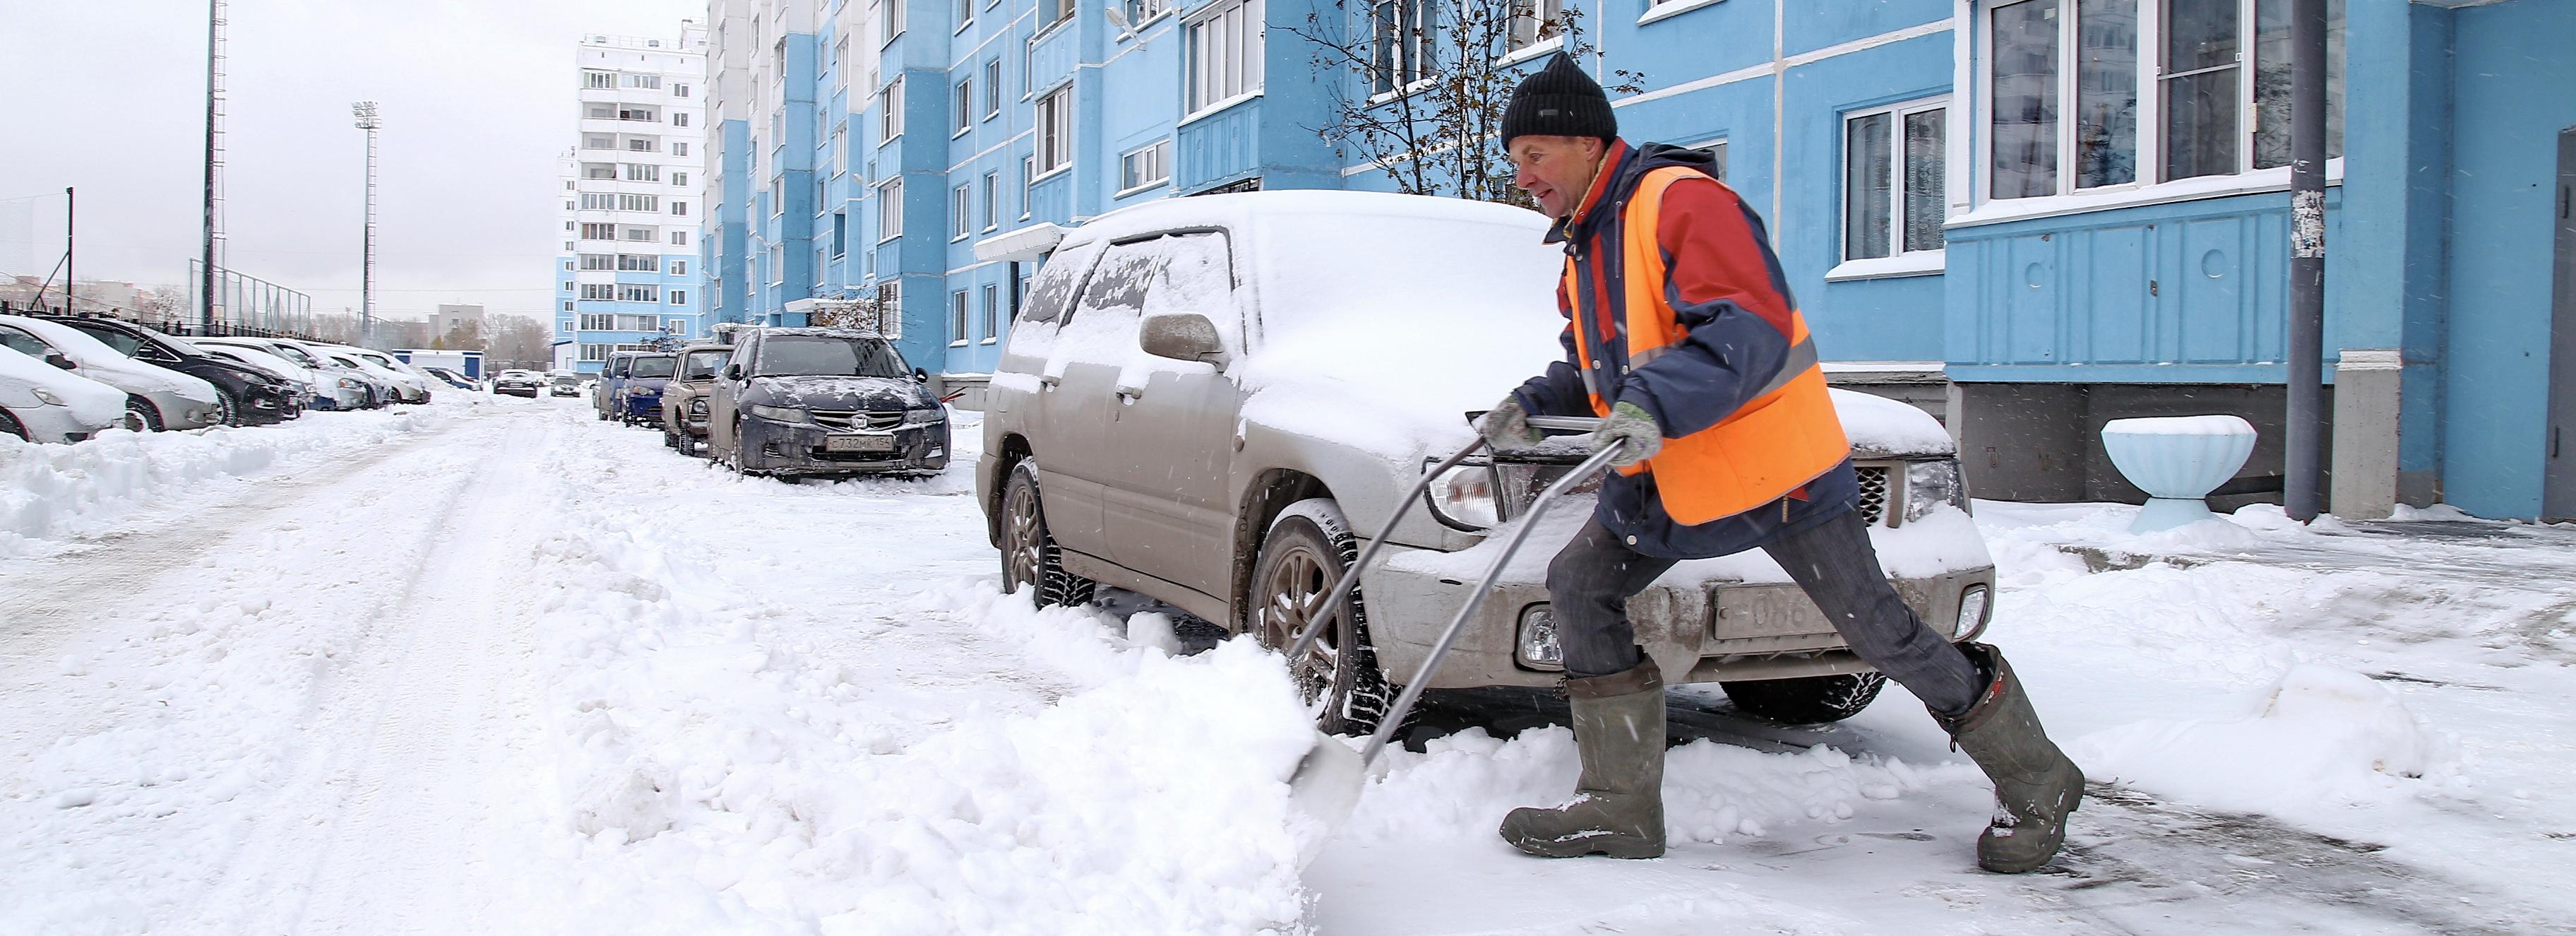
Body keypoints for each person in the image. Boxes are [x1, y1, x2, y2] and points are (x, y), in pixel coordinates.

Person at [1479, 53, 2082, 874]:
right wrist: (1531, 403)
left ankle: (2038, 775)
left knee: (1880, 629)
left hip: (1775, 470)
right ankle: (1618, 805)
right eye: (1516, 160)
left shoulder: (1682, 204)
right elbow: (1600, 365)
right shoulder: (1588, 242)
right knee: (1581, 582)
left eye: (1533, 156)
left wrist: (1649, 401)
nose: (1523, 177)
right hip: (1671, 472)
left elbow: (1747, 327)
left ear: (1586, 143)